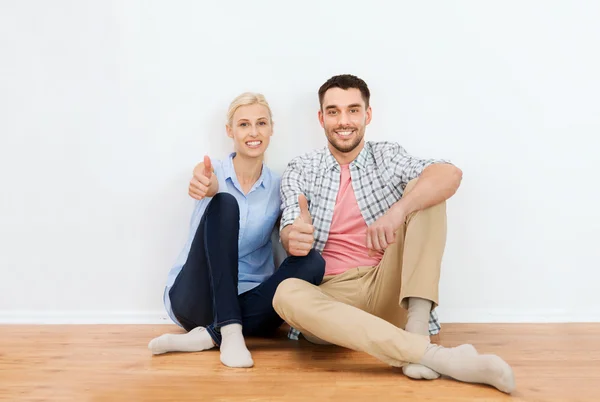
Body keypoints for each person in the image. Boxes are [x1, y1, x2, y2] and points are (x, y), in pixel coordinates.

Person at [272, 74, 516, 393]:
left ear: (367, 115)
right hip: (332, 298)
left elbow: (449, 174)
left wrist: (398, 210)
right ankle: (437, 356)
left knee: (427, 189)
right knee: (285, 292)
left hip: (385, 284)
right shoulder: (301, 168)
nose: (343, 121)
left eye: (353, 110)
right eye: (333, 111)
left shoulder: (386, 155)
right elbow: (292, 218)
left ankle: (416, 328)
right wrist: (294, 235)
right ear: (321, 118)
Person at [148, 92, 325, 368]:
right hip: (195, 299)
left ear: (271, 129)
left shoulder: (280, 186)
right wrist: (206, 187)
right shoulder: (213, 171)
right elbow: (203, 178)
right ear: (230, 131)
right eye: (244, 124)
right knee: (226, 202)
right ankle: (229, 331)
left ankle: (209, 336)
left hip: (250, 303)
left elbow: (290, 232)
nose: (253, 132)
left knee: (313, 262)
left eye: (261, 123)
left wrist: (296, 234)